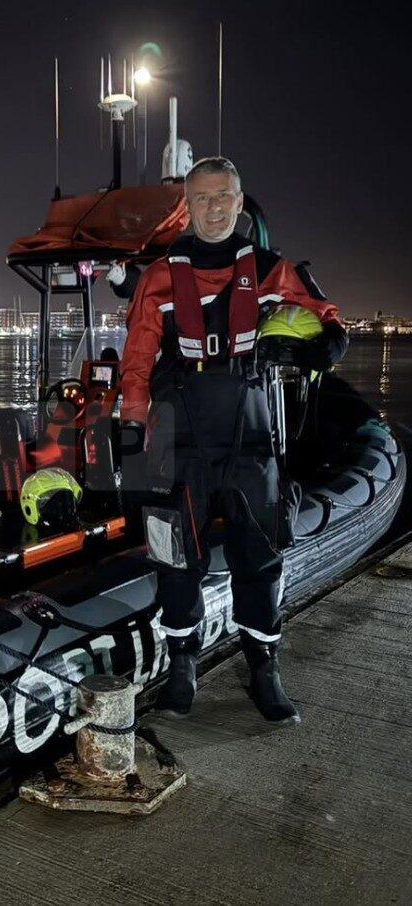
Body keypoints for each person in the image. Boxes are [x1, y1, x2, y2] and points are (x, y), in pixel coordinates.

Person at [119, 156, 347, 723]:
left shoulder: (271, 269)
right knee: (175, 554)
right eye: (202, 198)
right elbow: (138, 357)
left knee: (260, 552)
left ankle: (264, 668)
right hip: (179, 435)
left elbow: (324, 315)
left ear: (239, 202)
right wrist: (130, 426)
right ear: (188, 207)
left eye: (224, 197)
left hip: (252, 430)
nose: (215, 208)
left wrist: (327, 343)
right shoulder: (158, 277)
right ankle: (182, 663)